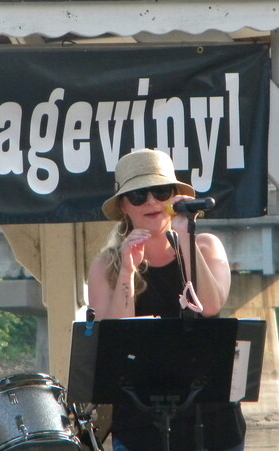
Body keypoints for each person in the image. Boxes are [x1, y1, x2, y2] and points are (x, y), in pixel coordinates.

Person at [87, 148, 245, 451]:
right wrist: (127, 272)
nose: (151, 202)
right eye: (138, 196)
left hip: (212, 420)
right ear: (124, 206)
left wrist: (185, 236)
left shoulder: (207, 245)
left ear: (174, 197)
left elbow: (210, 306)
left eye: (160, 192)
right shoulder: (106, 265)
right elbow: (114, 341)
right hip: (141, 426)